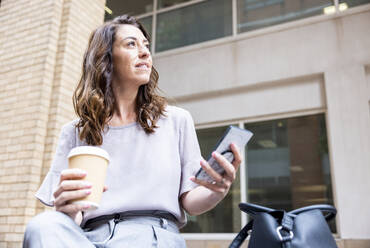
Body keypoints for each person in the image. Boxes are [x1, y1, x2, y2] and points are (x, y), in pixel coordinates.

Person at [23, 15, 242, 248]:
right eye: (131, 44)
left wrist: (217, 190)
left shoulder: (176, 121)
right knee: (42, 226)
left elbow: (190, 201)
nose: (145, 52)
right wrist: (67, 208)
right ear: (106, 59)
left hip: (151, 235)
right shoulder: (77, 132)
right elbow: (74, 217)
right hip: (88, 237)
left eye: (146, 46)